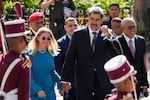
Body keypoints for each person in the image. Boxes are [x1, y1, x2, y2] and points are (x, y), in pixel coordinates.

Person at [61, 6, 117, 100]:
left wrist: (109, 37)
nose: (94, 22)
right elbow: (70, 58)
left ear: (101, 20)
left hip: (102, 80)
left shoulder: (109, 34)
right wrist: (64, 79)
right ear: (88, 19)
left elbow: (116, 54)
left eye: (97, 19)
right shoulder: (78, 34)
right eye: (92, 19)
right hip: (83, 80)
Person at [115, 18, 149, 98]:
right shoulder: (117, 42)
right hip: (124, 84)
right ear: (122, 29)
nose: (133, 30)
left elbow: (142, 63)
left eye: (134, 27)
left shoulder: (140, 40)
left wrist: (145, 84)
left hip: (138, 82)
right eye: (129, 28)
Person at [28, 27, 64, 100]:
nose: (46, 40)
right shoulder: (29, 55)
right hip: (36, 94)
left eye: (48, 38)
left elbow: (51, 71)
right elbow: (28, 75)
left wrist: (60, 83)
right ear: (38, 38)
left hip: (50, 92)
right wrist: (37, 89)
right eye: (43, 38)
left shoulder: (50, 54)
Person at [0, 19, 30, 100]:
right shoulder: (23, 66)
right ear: (21, 42)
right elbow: (24, 96)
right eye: (26, 40)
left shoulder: (1, 59)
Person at [54, 17, 78, 100]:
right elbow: (58, 65)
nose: (73, 28)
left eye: (75, 25)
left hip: (82, 81)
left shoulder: (82, 40)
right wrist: (62, 83)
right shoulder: (60, 43)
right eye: (70, 26)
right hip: (68, 83)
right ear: (65, 28)